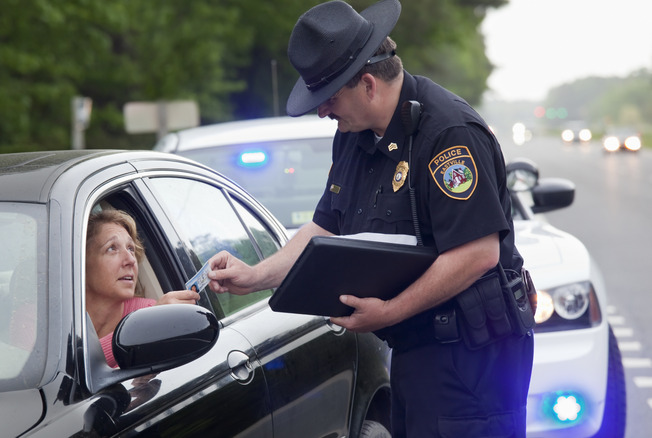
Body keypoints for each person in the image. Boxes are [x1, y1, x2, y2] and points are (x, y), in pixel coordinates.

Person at [207, 1, 534, 436]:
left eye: (329, 98)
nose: (322, 111)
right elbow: (325, 228)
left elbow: (477, 254)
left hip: (472, 360)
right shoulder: (353, 136)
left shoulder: (448, 134)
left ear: (367, 84)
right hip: (415, 350)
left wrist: (390, 311)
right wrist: (255, 276)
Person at [86, 208, 199, 368]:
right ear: (81, 263)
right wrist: (138, 331)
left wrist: (146, 325)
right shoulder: (51, 321)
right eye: (112, 248)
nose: (131, 260)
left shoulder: (151, 313)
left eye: (131, 249)